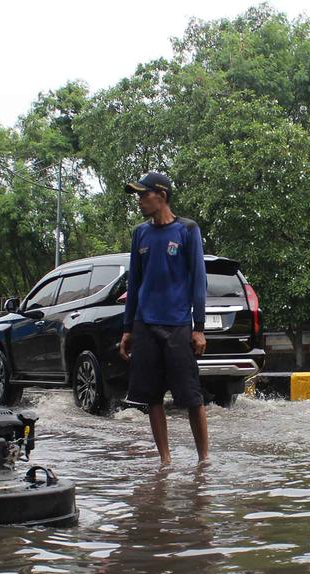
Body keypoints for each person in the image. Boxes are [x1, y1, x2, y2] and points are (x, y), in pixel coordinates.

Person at [117, 172, 209, 465]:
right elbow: (135, 283)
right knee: (152, 398)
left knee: (192, 397)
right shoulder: (140, 233)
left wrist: (199, 328)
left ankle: (203, 461)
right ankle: (165, 461)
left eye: (144, 195)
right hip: (146, 326)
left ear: (162, 195)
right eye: (139, 196)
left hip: (178, 326)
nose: (140, 201)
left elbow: (198, 280)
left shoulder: (187, 230)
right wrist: (128, 328)